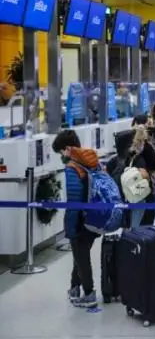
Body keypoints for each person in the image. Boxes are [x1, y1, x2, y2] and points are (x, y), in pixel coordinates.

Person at [52, 129, 100, 308]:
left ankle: (89, 293)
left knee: (82, 257)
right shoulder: (91, 160)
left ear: (67, 149)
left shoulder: (73, 168)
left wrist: (70, 228)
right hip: (94, 217)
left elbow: (74, 201)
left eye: (61, 152)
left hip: (80, 220)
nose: (61, 156)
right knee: (80, 255)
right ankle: (74, 288)